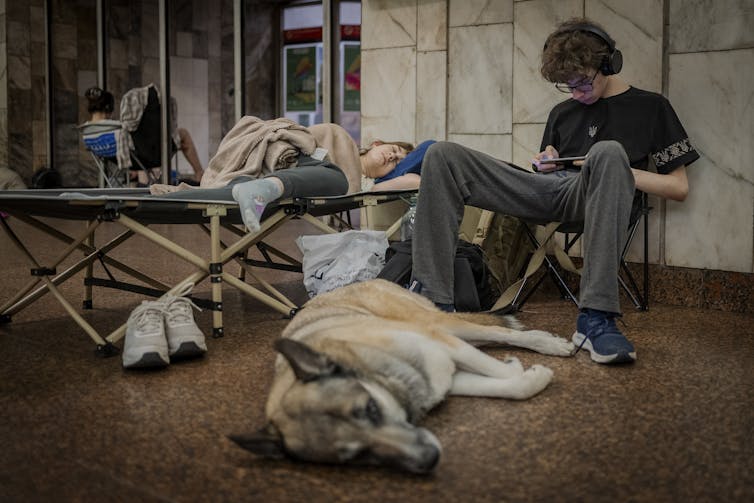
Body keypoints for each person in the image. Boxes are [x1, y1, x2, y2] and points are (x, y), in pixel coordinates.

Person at [409, 18, 699, 365]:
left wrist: (611, 166)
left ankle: (595, 319)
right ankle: (434, 308)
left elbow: (678, 187)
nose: (576, 92)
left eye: (582, 81)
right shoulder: (562, 112)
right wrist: (547, 160)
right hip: (549, 191)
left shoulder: (652, 107)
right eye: (567, 85)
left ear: (608, 63)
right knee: (442, 154)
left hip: (600, 193)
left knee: (608, 152)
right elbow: (549, 165)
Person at [231, 132, 415, 233]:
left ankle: (254, 188)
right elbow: (315, 135)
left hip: (310, 177)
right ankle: (253, 186)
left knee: (335, 179)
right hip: (290, 156)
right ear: (377, 143)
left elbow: (415, 182)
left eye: (397, 162)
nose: (392, 156)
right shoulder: (341, 140)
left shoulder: (366, 186)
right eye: (394, 149)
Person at [85, 86, 204, 184]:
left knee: (139, 148)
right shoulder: (115, 128)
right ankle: (199, 174)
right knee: (182, 133)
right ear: (108, 108)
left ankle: (146, 183)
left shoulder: (86, 132)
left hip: (126, 160)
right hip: (142, 155)